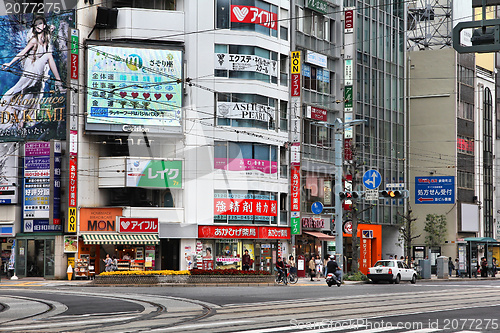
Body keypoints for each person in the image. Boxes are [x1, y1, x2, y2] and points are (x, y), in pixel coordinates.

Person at [1, 16, 64, 129]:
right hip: (31, 69)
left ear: (44, 25)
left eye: (40, 24)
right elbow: (22, 53)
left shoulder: (46, 37)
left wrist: (51, 28)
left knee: (30, 96)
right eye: (36, 25)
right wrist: (9, 64)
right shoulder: (34, 40)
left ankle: (20, 124)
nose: (38, 27)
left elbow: (51, 28)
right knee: (48, 56)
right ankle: (59, 84)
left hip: (38, 74)